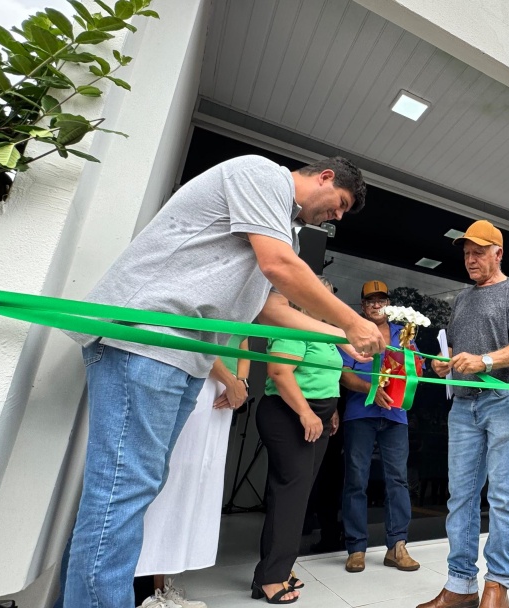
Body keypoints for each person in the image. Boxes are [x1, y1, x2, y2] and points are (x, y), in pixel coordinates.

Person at [57, 155, 384, 608]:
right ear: (324, 177)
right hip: (149, 342)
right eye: (341, 203)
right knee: (123, 489)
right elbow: (280, 268)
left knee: (132, 488)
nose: (338, 216)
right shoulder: (261, 175)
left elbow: (268, 310)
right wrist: (351, 321)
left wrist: (339, 337)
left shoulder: (277, 226)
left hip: (179, 355)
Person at [425, 220, 509, 608]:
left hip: (504, 399)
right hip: (463, 404)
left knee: (503, 496)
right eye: (466, 253)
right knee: (461, 496)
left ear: (498, 253)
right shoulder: (461, 298)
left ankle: (498, 586)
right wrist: (445, 364)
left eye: (478, 252)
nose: (470, 260)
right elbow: (456, 349)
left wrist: (486, 360)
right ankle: (460, 585)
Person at [134, 337, 250, 608]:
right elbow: (200, 338)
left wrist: (241, 383)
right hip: (197, 377)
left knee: (195, 485)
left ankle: (158, 588)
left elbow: (243, 340)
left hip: (227, 390)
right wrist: (231, 381)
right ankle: (142, 593)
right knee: (171, 481)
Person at [252, 277, 343, 604]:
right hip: (289, 416)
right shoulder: (295, 328)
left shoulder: (324, 332)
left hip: (314, 417)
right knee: (290, 493)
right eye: (319, 295)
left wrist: (329, 411)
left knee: (297, 493)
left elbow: (325, 376)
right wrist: (307, 413)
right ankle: (271, 578)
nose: (325, 301)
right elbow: (280, 372)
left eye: (328, 296)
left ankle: (276, 569)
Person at [339, 280, 420, 574]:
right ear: (362, 305)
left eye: (381, 299)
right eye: (371, 300)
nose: (376, 304)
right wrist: (372, 388)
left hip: (396, 414)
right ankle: (356, 548)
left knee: (398, 479)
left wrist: (412, 360)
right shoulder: (353, 331)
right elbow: (345, 375)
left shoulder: (404, 332)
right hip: (360, 412)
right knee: (356, 479)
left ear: (388, 303)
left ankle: (397, 546)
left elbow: (416, 369)